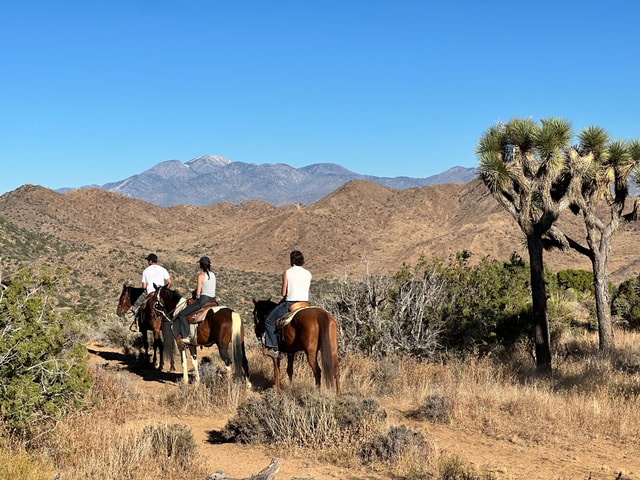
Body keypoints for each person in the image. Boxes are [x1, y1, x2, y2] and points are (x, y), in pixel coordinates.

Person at [263, 250, 312, 358]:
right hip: (305, 303)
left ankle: (273, 348)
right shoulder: (308, 273)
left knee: (269, 321)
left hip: (290, 303)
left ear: (292, 260)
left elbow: (283, 293)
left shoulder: (288, 273)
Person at [175, 256, 217, 346]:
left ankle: (186, 337)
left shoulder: (201, 275)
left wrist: (196, 295)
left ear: (201, 265)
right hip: (213, 301)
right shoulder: (213, 275)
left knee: (182, 314)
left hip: (203, 301)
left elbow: (198, 293)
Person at [131, 253, 172, 326]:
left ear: (150, 261)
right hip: (161, 294)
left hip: (150, 293)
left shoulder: (145, 271)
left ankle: (136, 323)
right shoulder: (163, 269)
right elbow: (169, 282)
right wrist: (164, 291)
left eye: (148, 260)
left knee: (136, 305)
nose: (147, 262)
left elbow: (144, 287)